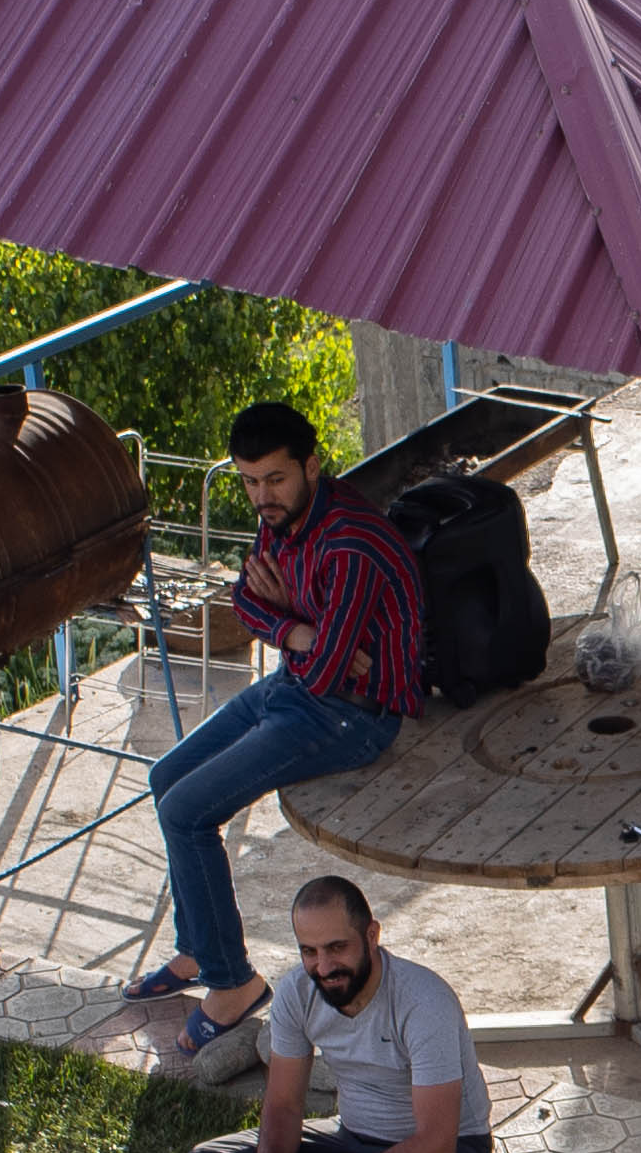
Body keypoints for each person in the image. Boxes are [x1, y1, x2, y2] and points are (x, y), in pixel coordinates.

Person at [129, 402, 422, 1050]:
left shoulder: (351, 545)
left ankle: (233, 983)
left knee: (187, 812)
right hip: (296, 684)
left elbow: (326, 676)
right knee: (167, 775)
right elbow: (244, 602)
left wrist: (292, 614)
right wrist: (296, 623)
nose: (262, 496)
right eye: (249, 481)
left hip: (354, 715)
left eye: (276, 479)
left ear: (311, 466)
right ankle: (196, 949)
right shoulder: (285, 520)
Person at [179, 874, 497, 1153]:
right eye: (308, 951)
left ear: (372, 934)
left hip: (450, 1150)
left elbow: (436, 1144)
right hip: (351, 1136)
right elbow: (282, 1104)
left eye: (337, 948)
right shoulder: (296, 992)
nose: (324, 967)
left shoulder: (424, 1002)